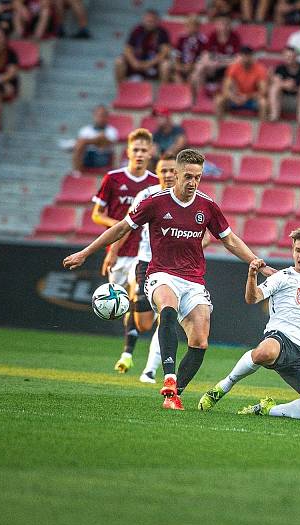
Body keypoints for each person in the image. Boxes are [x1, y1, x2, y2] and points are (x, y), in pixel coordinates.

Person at [64, 149, 277, 410]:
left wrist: (259, 264)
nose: (193, 183)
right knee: (167, 307)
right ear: (175, 175)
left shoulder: (207, 206)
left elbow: (229, 240)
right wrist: (86, 253)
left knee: (200, 341)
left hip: (194, 280)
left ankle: (174, 395)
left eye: (197, 177)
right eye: (188, 176)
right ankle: (168, 376)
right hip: (161, 273)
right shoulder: (155, 201)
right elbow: (121, 228)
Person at [197, 226, 300, 419]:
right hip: (279, 337)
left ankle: (268, 409)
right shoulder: (281, 277)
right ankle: (222, 387)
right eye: (298, 250)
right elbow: (253, 298)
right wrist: (252, 276)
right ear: (292, 251)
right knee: (265, 351)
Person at [89, 128, 160, 374]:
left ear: (151, 152)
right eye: (136, 149)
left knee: (135, 299)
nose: (140, 154)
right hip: (118, 251)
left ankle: (127, 353)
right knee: (124, 305)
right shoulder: (113, 178)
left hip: (144, 253)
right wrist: (121, 226)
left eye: (144, 150)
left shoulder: (155, 183)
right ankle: (129, 349)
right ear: (128, 151)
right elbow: (97, 214)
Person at [119, 153, 178, 384]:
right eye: (163, 171)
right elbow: (126, 226)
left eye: (172, 170)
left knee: (166, 316)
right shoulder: (147, 195)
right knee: (144, 323)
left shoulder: (189, 198)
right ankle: (131, 312)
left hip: (176, 267)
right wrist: (113, 252)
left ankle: (151, 370)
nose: (168, 175)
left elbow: (204, 236)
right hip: (147, 262)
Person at [114, 9, 171, 83]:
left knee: (166, 65)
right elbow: (127, 48)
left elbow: (164, 52)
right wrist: (133, 62)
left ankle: (164, 92)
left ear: (157, 21)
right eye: (147, 20)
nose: (149, 23)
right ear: (143, 19)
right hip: (136, 63)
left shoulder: (162, 32)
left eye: (152, 21)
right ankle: (121, 90)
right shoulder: (137, 30)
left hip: (154, 65)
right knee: (119, 61)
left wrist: (149, 64)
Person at [191, 15, 240, 95]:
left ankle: (226, 97)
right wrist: (210, 64)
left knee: (235, 68)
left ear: (230, 25)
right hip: (213, 67)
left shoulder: (235, 37)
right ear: (216, 25)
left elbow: (238, 59)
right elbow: (205, 55)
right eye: (221, 24)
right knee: (199, 68)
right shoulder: (212, 36)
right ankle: (197, 98)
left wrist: (220, 64)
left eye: (226, 24)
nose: (223, 27)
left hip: (227, 68)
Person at [214, 46, 268, 119]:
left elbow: (263, 91)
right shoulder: (233, 67)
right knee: (219, 100)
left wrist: (247, 97)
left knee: (263, 103)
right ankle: (221, 126)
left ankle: (262, 127)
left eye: (247, 56)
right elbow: (225, 88)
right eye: (243, 56)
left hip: (251, 99)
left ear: (252, 57)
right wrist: (233, 97)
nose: (245, 59)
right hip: (236, 97)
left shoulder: (260, 69)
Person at [268, 46, 300, 123]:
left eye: (291, 56)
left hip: (298, 97)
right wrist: (285, 84)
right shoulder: (280, 68)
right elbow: (276, 81)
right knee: (274, 88)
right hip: (283, 97)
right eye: (286, 56)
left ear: (296, 57)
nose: (288, 58)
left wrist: (294, 87)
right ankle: (274, 115)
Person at [71, 104, 118, 173]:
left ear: (107, 117)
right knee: (80, 146)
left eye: (103, 116)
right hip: (88, 155)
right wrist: (98, 140)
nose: (101, 118)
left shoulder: (112, 130)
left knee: (83, 143)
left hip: (103, 156)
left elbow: (107, 143)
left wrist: (87, 141)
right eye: (98, 116)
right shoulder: (85, 130)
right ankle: (77, 172)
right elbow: (80, 144)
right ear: (94, 116)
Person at [171, 14, 206, 83]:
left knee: (195, 76)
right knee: (176, 77)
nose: (190, 28)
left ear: (198, 27)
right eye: (188, 25)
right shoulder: (181, 38)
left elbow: (203, 57)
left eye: (193, 25)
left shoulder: (203, 40)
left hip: (195, 67)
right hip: (182, 66)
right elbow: (176, 54)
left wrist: (192, 66)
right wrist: (179, 65)